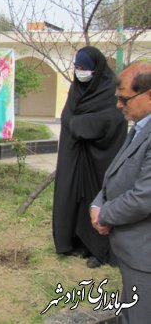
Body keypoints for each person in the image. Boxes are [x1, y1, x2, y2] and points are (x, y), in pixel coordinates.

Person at [52, 46, 128, 268]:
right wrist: (77, 125)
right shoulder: (76, 89)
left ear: (96, 68)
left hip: (100, 157)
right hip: (75, 154)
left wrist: (80, 125)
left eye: (84, 67)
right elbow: (67, 116)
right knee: (71, 196)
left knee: (97, 200)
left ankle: (99, 249)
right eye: (76, 66)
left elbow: (114, 119)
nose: (79, 71)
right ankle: (74, 242)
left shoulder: (110, 90)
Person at [90, 62, 151, 324]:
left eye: (124, 99)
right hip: (130, 249)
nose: (119, 105)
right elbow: (115, 174)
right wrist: (98, 204)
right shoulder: (140, 127)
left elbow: (142, 197)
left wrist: (104, 215)